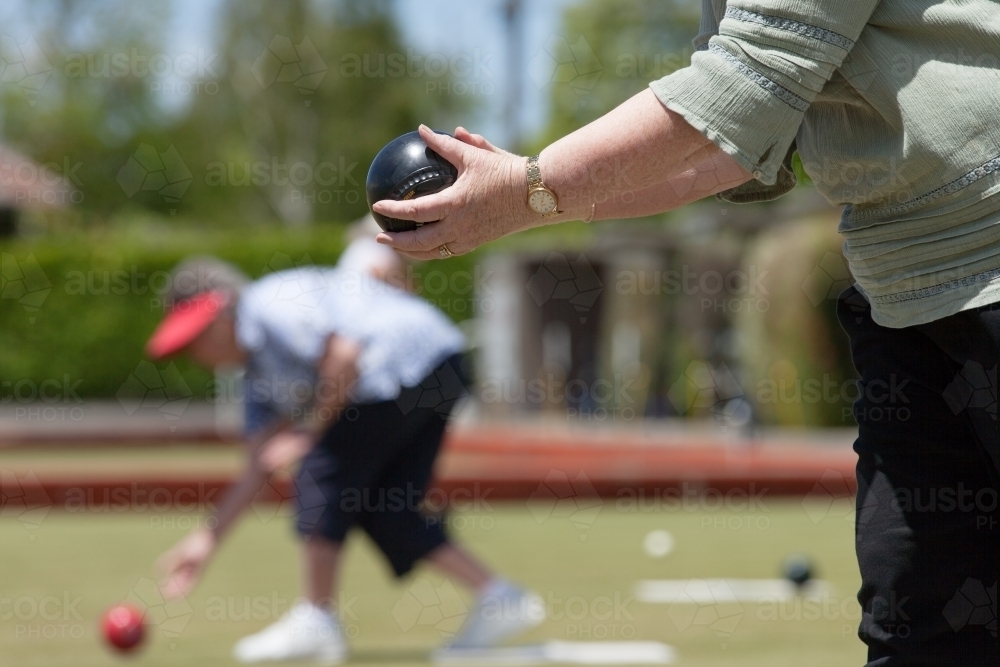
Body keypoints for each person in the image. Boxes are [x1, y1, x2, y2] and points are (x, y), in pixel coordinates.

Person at [373, 2, 1000, 665]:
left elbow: (745, 80)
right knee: (919, 630)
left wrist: (530, 186)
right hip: (901, 296)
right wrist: (526, 201)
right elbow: (725, 139)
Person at [150, 251, 543, 664]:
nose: (194, 354)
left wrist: (307, 432)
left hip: (410, 363)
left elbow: (344, 358)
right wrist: (205, 542)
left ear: (220, 316)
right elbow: (260, 464)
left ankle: (317, 618)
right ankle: (500, 598)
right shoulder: (257, 378)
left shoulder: (271, 305)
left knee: (322, 469)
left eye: (195, 339)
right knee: (385, 511)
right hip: (434, 371)